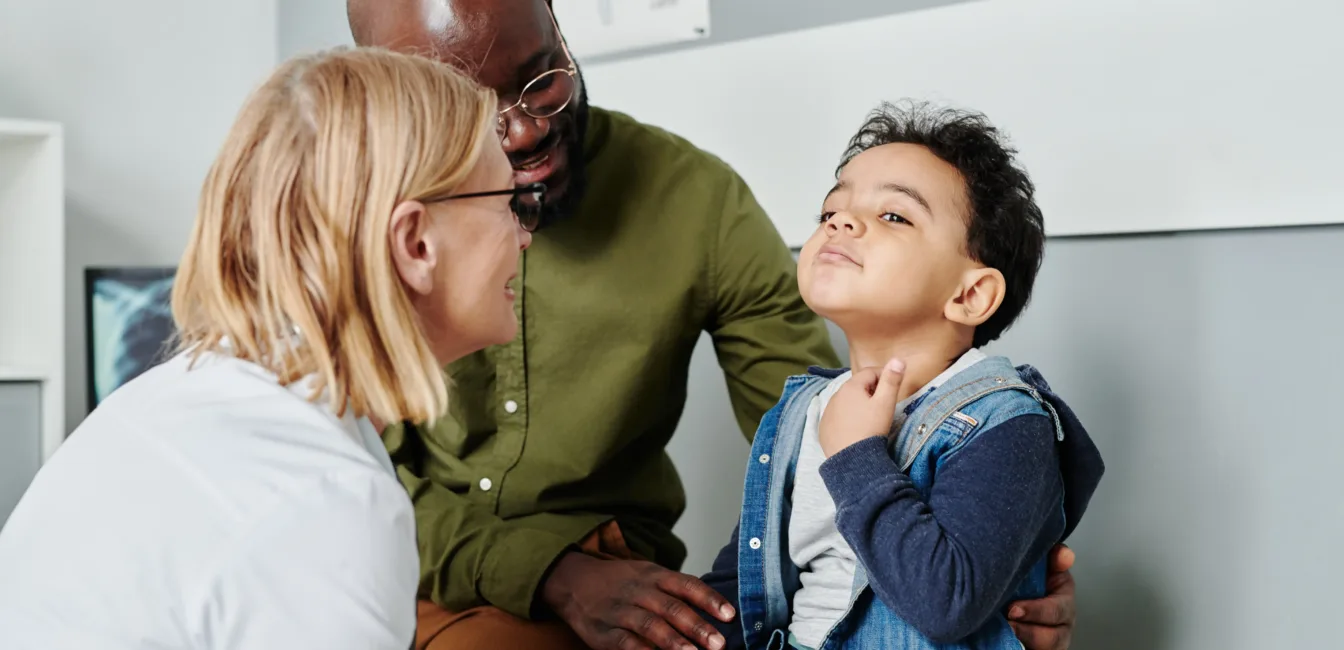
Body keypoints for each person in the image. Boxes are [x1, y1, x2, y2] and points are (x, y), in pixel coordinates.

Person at [347, 1, 1081, 649]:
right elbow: (336, 478)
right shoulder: (341, 214)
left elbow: (817, 474)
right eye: (832, 209)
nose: (521, 130)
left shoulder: (699, 204)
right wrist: (545, 571)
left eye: (541, 80)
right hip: (381, 552)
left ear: (562, 33)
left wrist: (996, 575)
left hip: (604, 588)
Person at [0, 47, 533, 648]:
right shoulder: (325, 504)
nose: (523, 237)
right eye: (508, 204)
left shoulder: (168, 399)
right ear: (414, 243)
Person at [698, 103, 1105, 650]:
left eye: (894, 216)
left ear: (970, 295)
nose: (841, 221)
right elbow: (742, 586)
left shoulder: (1006, 423)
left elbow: (947, 602)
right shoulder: (801, 413)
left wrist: (857, 458)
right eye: (831, 211)